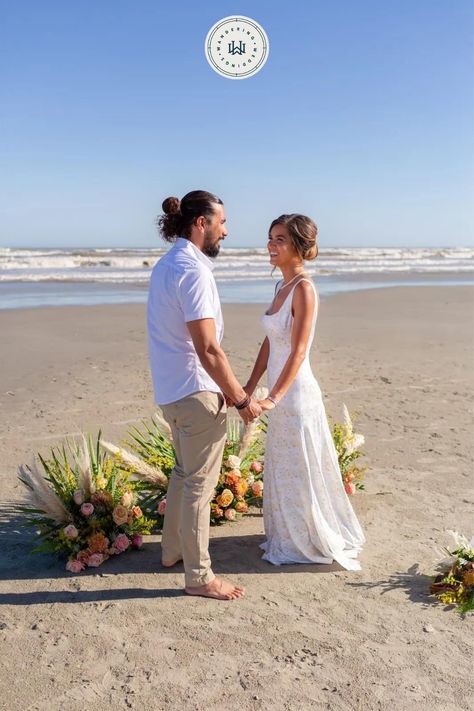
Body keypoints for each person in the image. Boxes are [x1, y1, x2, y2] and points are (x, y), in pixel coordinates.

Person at [147, 190, 261, 600]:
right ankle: (199, 576)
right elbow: (208, 348)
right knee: (199, 484)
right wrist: (241, 398)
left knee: (182, 473)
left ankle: (171, 551)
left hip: (171, 390)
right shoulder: (193, 271)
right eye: (222, 222)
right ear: (201, 223)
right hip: (196, 392)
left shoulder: (165, 265)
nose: (225, 230)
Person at [243, 214, 365, 569]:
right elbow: (270, 343)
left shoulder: (304, 290)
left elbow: (298, 351)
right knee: (284, 466)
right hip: (278, 392)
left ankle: (309, 537)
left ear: (298, 245)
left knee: (301, 467)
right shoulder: (281, 287)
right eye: (270, 238)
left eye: (279, 239)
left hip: (295, 395)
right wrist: (250, 386)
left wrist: (273, 397)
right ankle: (288, 533)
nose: (271, 245)